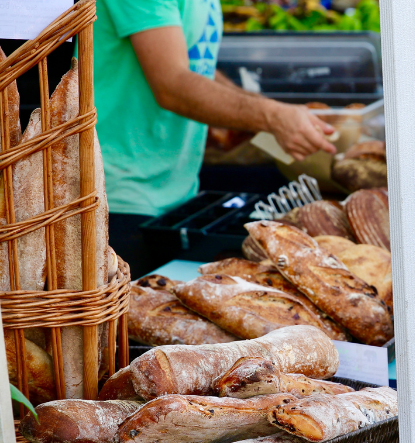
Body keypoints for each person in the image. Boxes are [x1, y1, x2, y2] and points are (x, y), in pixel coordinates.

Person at [93, 0, 336, 277]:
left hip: (174, 193)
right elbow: (171, 84)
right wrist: (271, 116)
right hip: (118, 200)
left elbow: (194, 64)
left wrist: (264, 113)